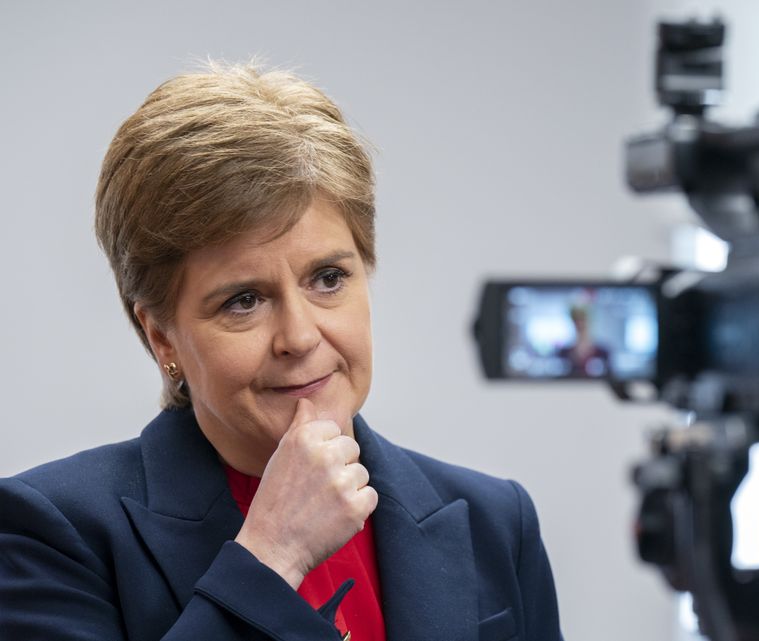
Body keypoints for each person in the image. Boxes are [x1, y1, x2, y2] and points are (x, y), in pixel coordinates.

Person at [0, 63, 562, 641]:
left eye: (327, 278)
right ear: (161, 335)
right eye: (243, 300)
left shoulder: (494, 522)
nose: (300, 336)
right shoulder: (52, 531)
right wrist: (273, 556)